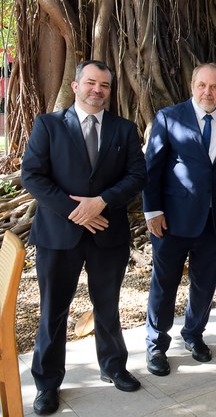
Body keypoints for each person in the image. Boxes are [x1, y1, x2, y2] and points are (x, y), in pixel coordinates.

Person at [22, 60, 147, 415]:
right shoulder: (48, 125)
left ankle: (113, 366)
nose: (97, 90)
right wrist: (75, 211)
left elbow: (138, 176)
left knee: (107, 306)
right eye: (91, 83)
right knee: (53, 312)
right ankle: (47, 383)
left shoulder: (124, 130)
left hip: (108, 235)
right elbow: (32, 175)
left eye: (104, 85)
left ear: (110, 90)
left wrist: (102, 202)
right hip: (58, 235)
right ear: (76, 86)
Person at [143, 63, 216, 376]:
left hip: (215, 222)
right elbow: (152, 168)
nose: (207, 92)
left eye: (214, 87)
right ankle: (156, 344)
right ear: (192, 86)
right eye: (202, 85)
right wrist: (152, 211)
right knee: (165, 284)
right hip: (172, 220)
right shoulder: (169, 117)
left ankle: (193, 334)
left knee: (205, 285)